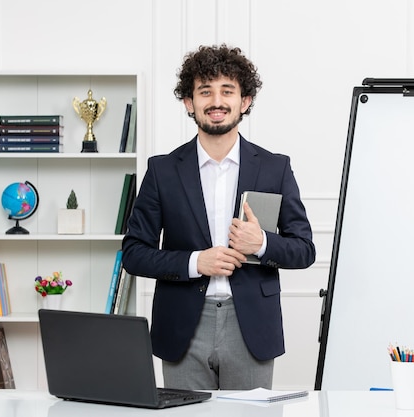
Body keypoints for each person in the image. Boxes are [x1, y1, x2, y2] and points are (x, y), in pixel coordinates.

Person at [121, 44, 316, 390]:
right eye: (205, 91)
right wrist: (197, 262)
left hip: (251, 327)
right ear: (188, 102)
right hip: (182, 328)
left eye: (228, 91)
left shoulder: (275, 168)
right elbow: (134, 253)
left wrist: (262, 243)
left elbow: (304, 250)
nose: (216, 101)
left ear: (245, 101)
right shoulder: (162, 171)